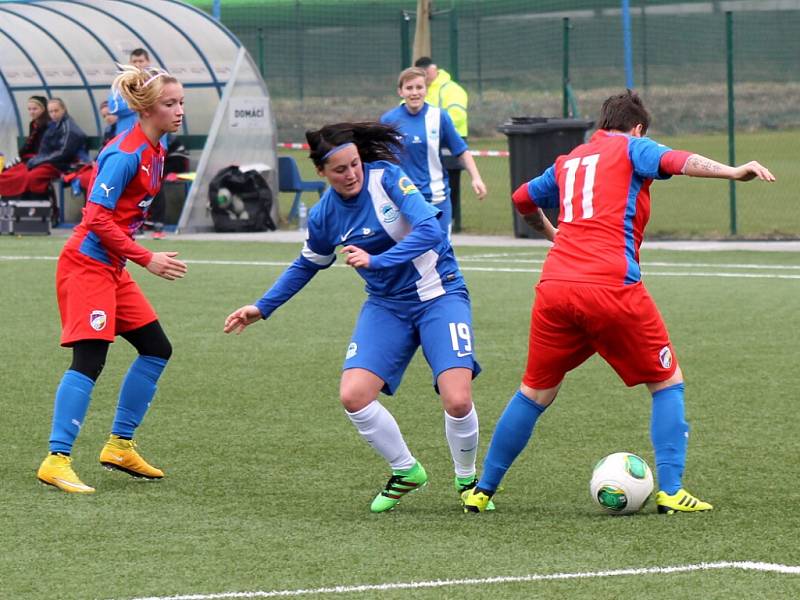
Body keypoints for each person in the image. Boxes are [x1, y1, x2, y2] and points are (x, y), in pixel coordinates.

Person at [461, 89, 776, 514]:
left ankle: (483, 490)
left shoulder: (569, 161)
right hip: (611, 288)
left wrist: (553, 236)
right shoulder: (634, 148)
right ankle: (672, 489)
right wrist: (734, 172)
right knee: (667, 382)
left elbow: (521, 198)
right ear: (638, 127)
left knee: (533, 392)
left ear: (601, 125)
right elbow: (676, 160)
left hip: (555, 286)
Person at [224, 121, 490, 513]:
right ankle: (406, 471)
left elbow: (431, 232)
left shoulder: (387, 179)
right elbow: (306, 264)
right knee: (353, 395)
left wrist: (377, 260)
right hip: (387, 306)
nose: (351, 174)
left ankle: (467, 480)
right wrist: (261, 307)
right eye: (340, 170)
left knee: (457, 398)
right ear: (321, 173)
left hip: (440, 294)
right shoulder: (325, 215)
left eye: (355, 165)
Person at [36, 64, 188, 494]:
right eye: (170, 104)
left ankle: (119, 446)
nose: (179, 111)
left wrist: (133, 258)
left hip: (112, 266)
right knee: (90, 358)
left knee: (156, 349)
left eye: (181, 103)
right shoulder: (126, 153)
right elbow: (96, 217)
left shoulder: (157, 149)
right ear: (146, 109)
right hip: (87, 265)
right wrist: (147, 258)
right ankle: (56, 459)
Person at [381, 67, 486, 238]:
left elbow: (460, 150)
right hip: (403, 200)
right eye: (409, 88)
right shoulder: (389, 121)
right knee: (408, 254)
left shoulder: (439, 117)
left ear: (426, 90)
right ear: (400, 92)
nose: (415, 93)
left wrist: (476, 177)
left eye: (419, 87)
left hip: (437, 199)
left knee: (441, 253)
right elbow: (380, 158)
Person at [108, 48, 170, 238]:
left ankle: (158, 225)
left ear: (148, 61)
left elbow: (164, 102)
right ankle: (135, 223)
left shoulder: (156, 82)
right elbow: (114, 106)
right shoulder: (124, 84)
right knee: (131, 186)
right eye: (134, 61)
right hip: (129, 146)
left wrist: (140, 98)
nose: (138, 64)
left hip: (154, 144)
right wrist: (142, 99)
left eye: (141, 61)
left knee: (155, 184)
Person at [414, 56, 469, 231]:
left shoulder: (452, 89)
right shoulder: (419, 90)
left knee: (449, 184)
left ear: (432, 70)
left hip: (449, 143)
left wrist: (432, 126)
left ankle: (450, 220)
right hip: (424, 146)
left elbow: (458, 114)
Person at [0, 98, 86, 198]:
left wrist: (38, 160)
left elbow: (64, 153)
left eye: (56, 110)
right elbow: (44, 149)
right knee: (12, 174)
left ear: (64, 109)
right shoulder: (53, 126)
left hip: (60, 165)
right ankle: (18, 206)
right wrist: (37, 160)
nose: (53, 114)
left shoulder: (68, 128)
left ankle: (39, 207)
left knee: (30, 177)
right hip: (46, 161)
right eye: (51, 111)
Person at [17, 95, 51, 164]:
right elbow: (30, 143)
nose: (31, 112)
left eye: (35, 109)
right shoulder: (33, 124)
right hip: (33, 156)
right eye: (29, 109)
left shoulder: (49, 124)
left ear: (44, 109)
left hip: (44, 159)